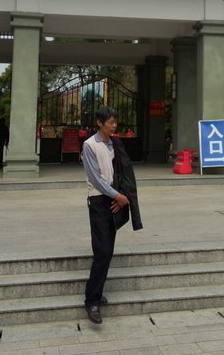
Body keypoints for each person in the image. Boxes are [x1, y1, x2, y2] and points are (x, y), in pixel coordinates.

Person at [81, 106, 130, 324]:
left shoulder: (115, 144)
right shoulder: (89, 145)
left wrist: (120, 196)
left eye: (115, 122)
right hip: (99, 201)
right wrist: (116, 195)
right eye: (110, 122)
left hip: (113, 200)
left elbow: (122, 171)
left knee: (108, 250)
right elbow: (95, 178)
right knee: (102, 251)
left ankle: (97, 291)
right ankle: (91, 301)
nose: (114, 125)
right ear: (99, 123)